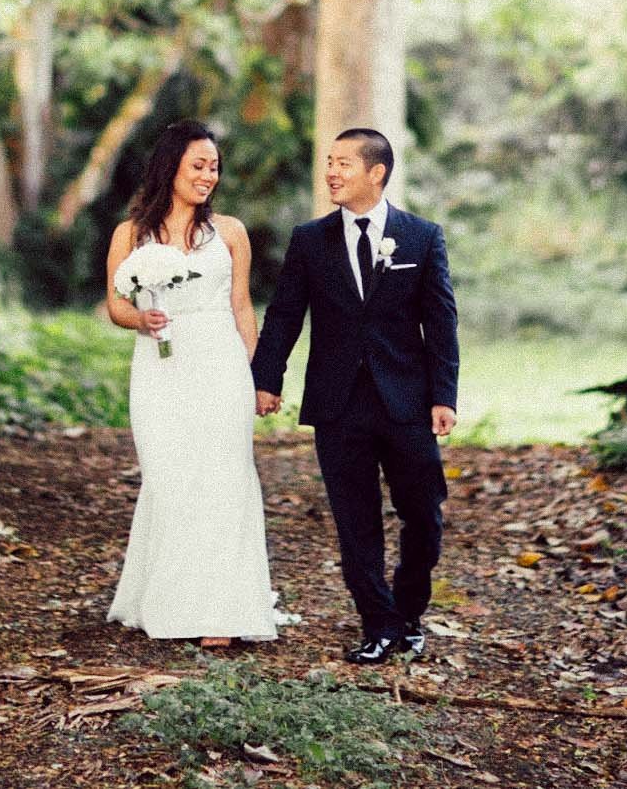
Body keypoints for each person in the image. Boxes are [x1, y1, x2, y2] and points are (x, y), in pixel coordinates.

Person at [250, 128, 460, 665]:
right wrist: (266, 379)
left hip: (407, 402)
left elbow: (440, 323)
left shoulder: (421, 237)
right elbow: (284, 314)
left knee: (424, 513)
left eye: (343, 163)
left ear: (377, 173)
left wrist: (444, 395)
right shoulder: (309, 240)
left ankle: (409, 612)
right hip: (338, 403)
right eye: (328, 162)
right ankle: (377, 621)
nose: (332, 173)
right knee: (355, 520)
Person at [104, 120, 281, 646]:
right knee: (171, 477)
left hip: (219, 363)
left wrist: (259, 377)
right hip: (160, 367)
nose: (209, 176)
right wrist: (141, 319)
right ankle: (170, 599)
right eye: (198, 165)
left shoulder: (230, 232)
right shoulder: (131, 234)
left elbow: (243, 307)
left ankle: (222, 613)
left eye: (214, 167)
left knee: (224, 477)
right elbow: (116, 302)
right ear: (171, 167)